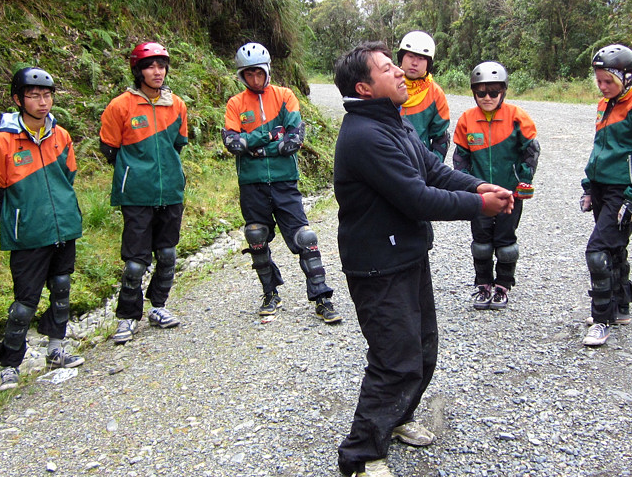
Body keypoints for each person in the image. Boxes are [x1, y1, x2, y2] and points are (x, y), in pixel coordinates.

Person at [332, 42, 514, 477]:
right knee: (395, 360)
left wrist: (478, 188)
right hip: (377, 264)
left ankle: (395, 421)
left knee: (422, 350)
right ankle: (361, 456)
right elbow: (417, 198)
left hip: (407, 253)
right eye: (387, 68)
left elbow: (433, 171)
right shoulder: (365, 136)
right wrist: (478, 209)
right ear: (365, 87)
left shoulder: (394, 123)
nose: (400, 72)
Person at [0, 67, 85, 390]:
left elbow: (68, 177)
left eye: (47, 95)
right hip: (27, 235)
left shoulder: (61, 136)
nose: (43, 102)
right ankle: (10, 362)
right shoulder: (2, 143)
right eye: (34, 95)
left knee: (62, 288)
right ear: (17, 99)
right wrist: (21, 217)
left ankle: (56, 349)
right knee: (24, 303)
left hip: (62, 228)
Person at [222, 42, 340, 323]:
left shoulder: (285, 97)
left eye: (258, 73)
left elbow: (295, 141)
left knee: (305, 238)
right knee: (256, 237)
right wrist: (269, 137)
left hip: (285, 181)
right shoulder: (235, 104)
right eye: (248, 75)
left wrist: (252, 145)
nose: (254, 80)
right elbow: (231, 142)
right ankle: (270, 292)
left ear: (267, 71)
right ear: (242, 76)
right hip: (251, 184)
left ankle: (322, 297)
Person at [100, 42, 188, 344]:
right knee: (136, 261)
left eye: (161, 65)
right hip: (137, 194)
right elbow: (109, 149)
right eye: (150, 66)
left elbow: (177, 144)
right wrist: (136, 172)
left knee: (167, 254)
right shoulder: (120, 106)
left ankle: (159, 307)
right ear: (138, 71)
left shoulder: (176, 104)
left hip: (171, 191)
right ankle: (127, 318)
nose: (157, 71)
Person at [580, 45, 632, 346]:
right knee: (614, 247)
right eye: (598, 81)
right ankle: (621, 307)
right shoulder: (605, 103)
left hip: (624, 189)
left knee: (598, 251)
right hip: (603, 186)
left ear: (626, 77)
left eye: (608, 82)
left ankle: (601, 319)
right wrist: (589, 185)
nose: (602, 87)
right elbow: (599, 149)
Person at [453, 61, 538, 310]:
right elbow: (460, 158)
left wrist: (525, 181)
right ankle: (483, 284)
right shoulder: (467, 119)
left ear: (503, 92)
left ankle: (502, 284)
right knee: (481, 241)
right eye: (481, 93)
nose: (487, 97)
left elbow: (531, 152)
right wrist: (466, 185)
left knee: (505, 241)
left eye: (494, 92)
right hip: (480, 194)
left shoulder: (517, 117)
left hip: (509, 193)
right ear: (473, 93)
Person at [396, 31, 451, 161]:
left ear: (429, 63)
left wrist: (431, 169)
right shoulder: (386, 86)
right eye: (410, 56)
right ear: (401, 58)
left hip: (418, 163)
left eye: (421, 58)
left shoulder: (435, 94)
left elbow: (441, 139)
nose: (415, 63)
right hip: (387, 159)